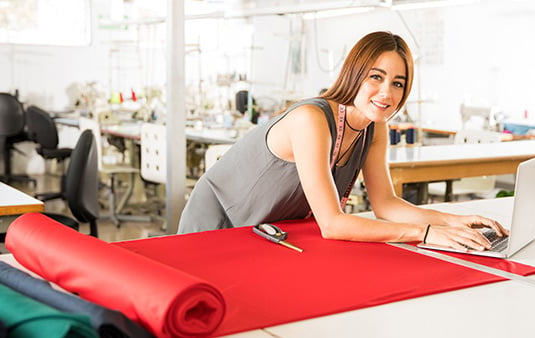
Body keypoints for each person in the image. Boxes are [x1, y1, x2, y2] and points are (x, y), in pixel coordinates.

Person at [179, 31, 507, 252]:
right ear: (354, 73)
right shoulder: (312, 120)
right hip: (218, 226)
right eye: (375, 77)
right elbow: (332, 224)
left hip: (266, 231)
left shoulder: (374, 129)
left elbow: (385, 204)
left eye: (398, 83)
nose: (386, 93)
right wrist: (423, 233)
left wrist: (454, 221)